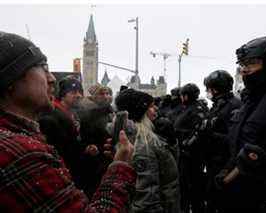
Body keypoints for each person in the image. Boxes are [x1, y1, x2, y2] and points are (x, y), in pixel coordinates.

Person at [0, 31, 136, 212]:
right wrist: (121, 166)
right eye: (42, 67)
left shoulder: (17, 138)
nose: (52, 78)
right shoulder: (20, 155)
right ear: (11, 79)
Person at [217, 36, 266, 212]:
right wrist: (226, 170)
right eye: (243, 65)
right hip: (241, 196)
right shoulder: (250, 98)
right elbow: (241, 143)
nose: (245, 70)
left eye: (252, 63)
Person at [115, 89, 180, 213]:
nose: (155, 108)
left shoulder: (147, 137)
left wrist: (172, 143)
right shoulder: (143, 144)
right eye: (150, 106)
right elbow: (146, 195)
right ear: (139, 111)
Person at [203, 70, 242, 213]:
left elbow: (236, 139)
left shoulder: (234, 106)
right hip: (213, 162)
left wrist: (211, 135)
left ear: (216, 89)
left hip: (225, 165)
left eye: (209, 89)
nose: (207, 92)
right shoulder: (219, 105)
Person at [173, 83, 209, 213]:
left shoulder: (196, 110)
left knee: (193, 189)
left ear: (186, 96)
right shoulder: (189, 108)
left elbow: (199, 132)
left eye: (182, 95)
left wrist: (185, 145)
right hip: (186, 155)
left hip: (192, 157)